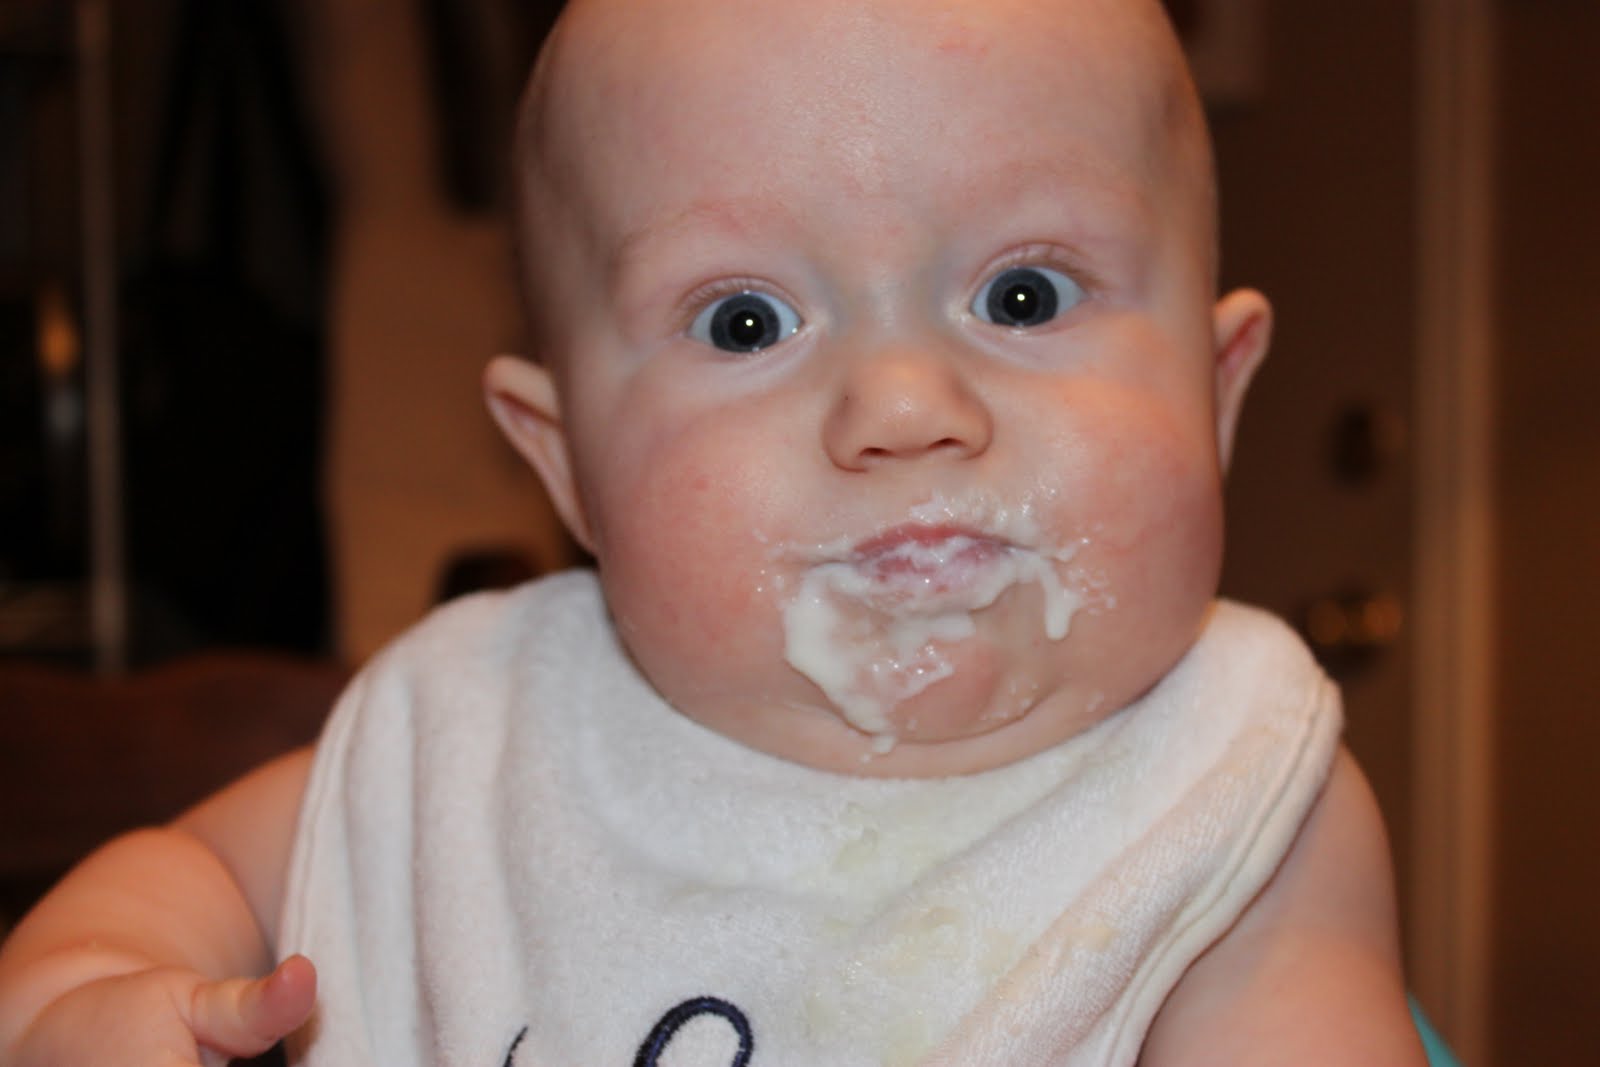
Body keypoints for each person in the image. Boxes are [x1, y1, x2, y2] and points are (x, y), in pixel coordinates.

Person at [0, 0, 1429, 1063]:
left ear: (1217, 394)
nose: (904, 404)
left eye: (1024, 296)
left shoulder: (1230, 799)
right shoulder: (473, 737)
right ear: (567, 467)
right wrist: (79, 998)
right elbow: (187, 877)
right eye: (746, 322)